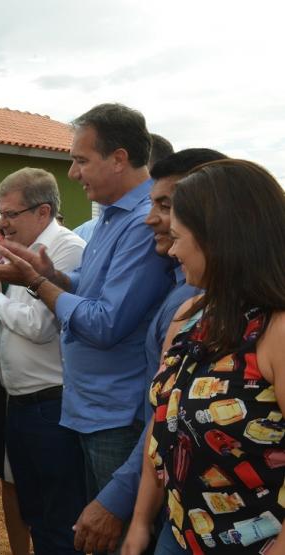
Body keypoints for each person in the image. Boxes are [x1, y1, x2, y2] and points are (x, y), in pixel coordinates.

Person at [0, 103, 175, 554]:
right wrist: (59, 279)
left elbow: (105, 323)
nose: (72, 172)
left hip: (116, 415)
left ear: (119, 158)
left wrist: (39, 283)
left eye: (81, 160)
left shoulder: (142, 222)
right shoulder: (108, 217)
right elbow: (93, 289)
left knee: (112, 535)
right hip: (88, 409)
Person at [121, 159, 285, 554]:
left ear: (221, 240)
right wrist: (141, 521)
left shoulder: (277, 331)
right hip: (177, 537)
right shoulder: (189, 316)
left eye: (179, 237)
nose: (171, 249)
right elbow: (163, 426)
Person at [70, 148, 228, 550]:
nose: (152, 220)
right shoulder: (186, 300)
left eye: (167, 206)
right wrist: (140, 518)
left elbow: (168, 416)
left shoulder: (204, 307)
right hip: (178, 510)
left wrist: (120, 501)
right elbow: (168, 415)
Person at [0, 168, 87, 553]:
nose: (1, 224)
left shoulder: (63, 249)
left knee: (58, 519)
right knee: (33, 510)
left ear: (43, 212)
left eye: (9, 215)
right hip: (19, 401)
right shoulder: (17, 246)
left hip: (51, 404)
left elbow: (38, 327)